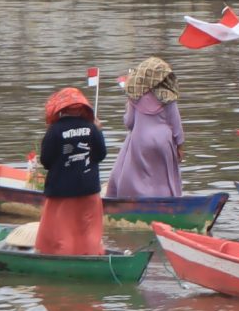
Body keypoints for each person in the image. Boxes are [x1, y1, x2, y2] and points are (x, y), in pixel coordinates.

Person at [34, 87, 108, 257]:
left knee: (63, 233)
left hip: (62, 192)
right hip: (89, 189)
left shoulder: (54, 130)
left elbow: (46, 160)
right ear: (82, 108)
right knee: (89, 230)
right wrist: (99, 130)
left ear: (61, 110)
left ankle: (64, 263)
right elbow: (101, 154)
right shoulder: (92, 127)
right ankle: (93, 258)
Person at [105, 58, 184, 199]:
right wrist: (179, 144)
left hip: (140, 141)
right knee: (163, 175)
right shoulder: (168, 96)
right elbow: (176, 123)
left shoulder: (135, 96)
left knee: (140, 175)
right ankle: (166, 200)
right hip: (163, 141)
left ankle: (139, 199)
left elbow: (129, 122)